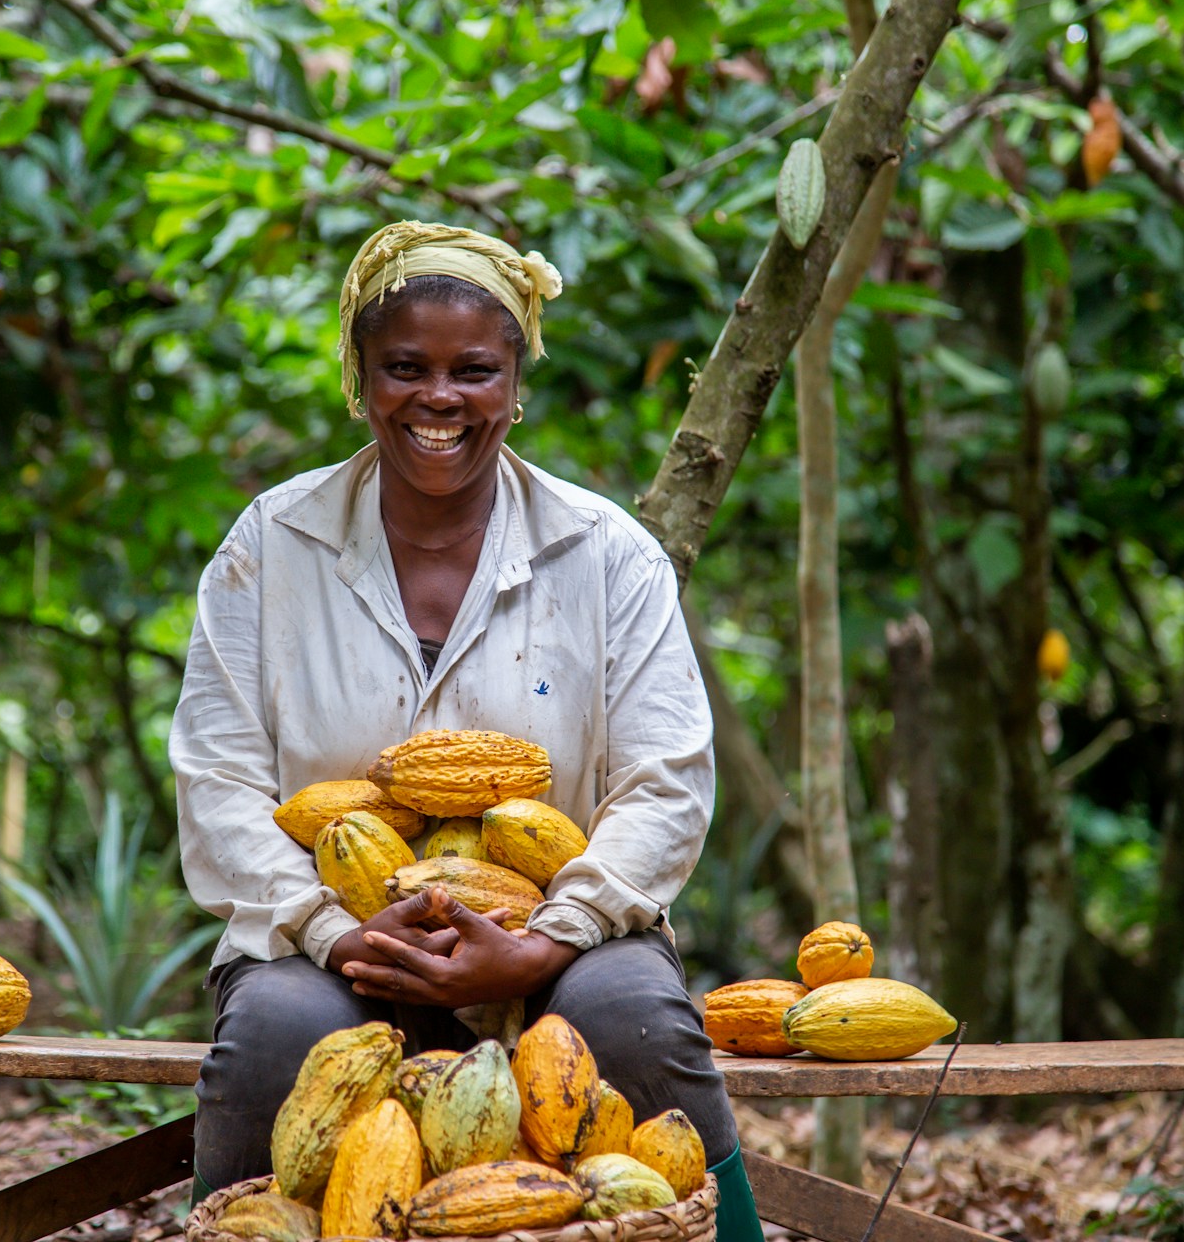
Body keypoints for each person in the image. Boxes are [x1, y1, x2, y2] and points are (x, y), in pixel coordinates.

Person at [169, 221, 759, 1240]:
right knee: (276, 1030)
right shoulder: (273, 543)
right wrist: (332, 926)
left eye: (473, 370)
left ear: (515, 380)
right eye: (405, 366)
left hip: (560, 929)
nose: (438, 398)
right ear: (361, 377)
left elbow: (665, 782)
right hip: (321, 936)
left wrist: (548, 939)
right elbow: (217, 779)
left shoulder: (606, 554)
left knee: (634, 1014)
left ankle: (727, 1233)